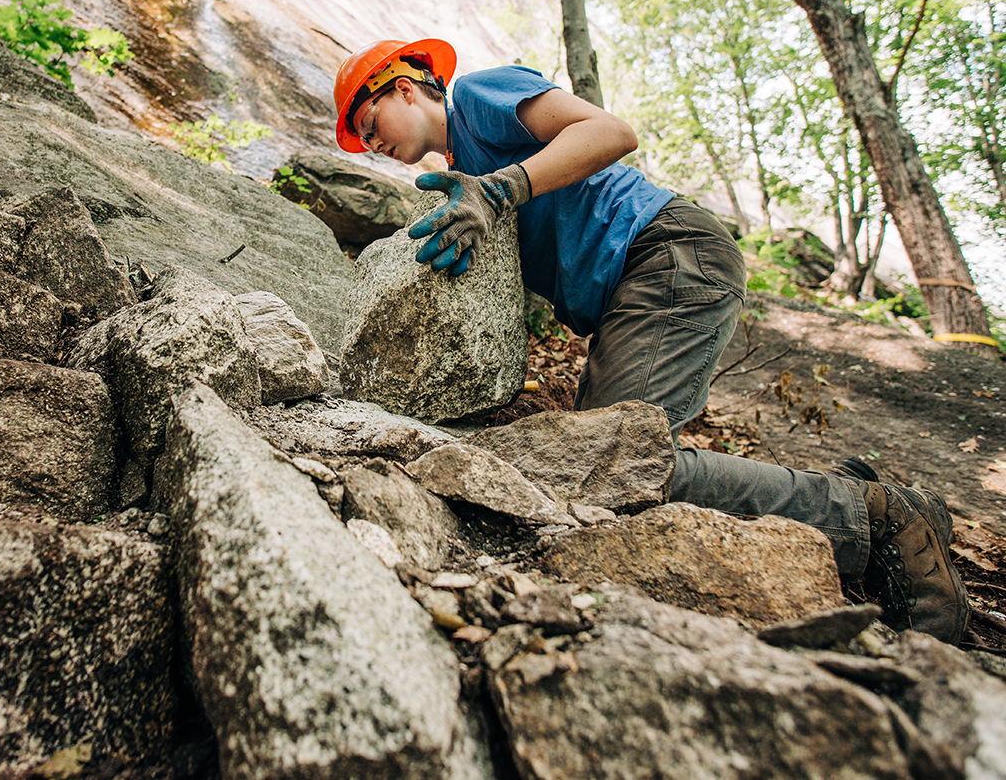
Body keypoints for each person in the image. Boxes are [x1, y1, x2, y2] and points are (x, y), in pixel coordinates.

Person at [333, 37, 970, 644]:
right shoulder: (460, 173)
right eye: (359, 140)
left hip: (666, 252)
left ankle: (879, 518)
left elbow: (611, 132)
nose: (368, 143)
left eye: (368, 120)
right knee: (604, 465)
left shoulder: (477, 95)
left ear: (409, 87)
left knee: (619, 469)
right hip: (634, 288)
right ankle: (849, 491)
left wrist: (502, 189)